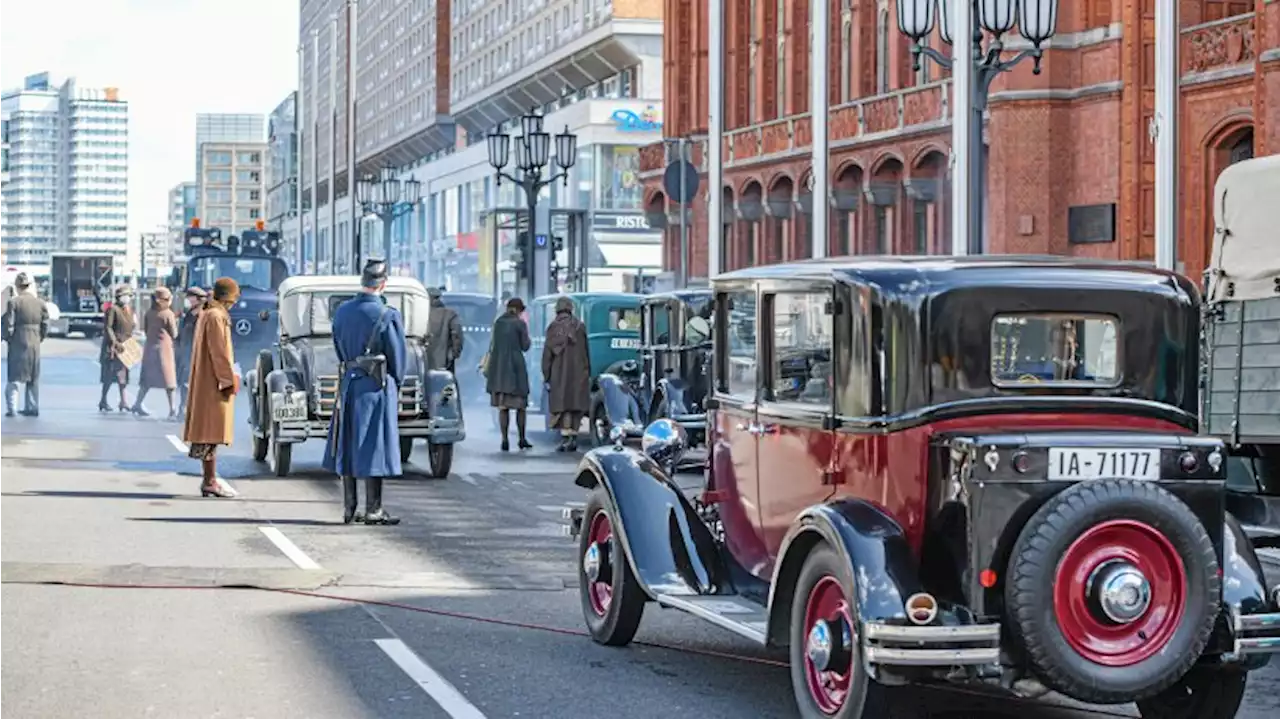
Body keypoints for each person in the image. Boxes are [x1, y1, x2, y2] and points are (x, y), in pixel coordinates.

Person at [323, 259, 406, 525]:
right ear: (383, 283)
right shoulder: (387, 314)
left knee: (347, 444)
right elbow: (398, 358)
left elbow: (337, 347)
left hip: (349, 383)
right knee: (375, 447)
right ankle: (374, 509)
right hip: (376, 385)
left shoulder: (343, 311)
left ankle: (349, 508)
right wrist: (397, 382)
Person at [182, 278, 242, 499]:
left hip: (206, 380)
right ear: (227, 298)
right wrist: (228, 380)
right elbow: (220, 353)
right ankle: (210, 481)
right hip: (214, 383)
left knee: (208, 432)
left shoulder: (208, 313)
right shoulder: (217, 317)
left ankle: (210, 480)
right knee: (211, 432)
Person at [542, 296, 590, 452]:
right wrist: (587, 371)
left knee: (563, 406)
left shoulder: (552, 328)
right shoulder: (580, 326)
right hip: (579, 373)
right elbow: (586, 352)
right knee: (575, 404)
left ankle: (565, 438)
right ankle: (573, 437)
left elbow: (547, 356)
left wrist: (546, 374)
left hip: (559, 374)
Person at [485, 296, 532, 452]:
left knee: (503, 407)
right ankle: (521, 438)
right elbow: (525, 346)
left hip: (499, 369)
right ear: (518, 310)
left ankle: (504, 439)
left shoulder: (498, 323)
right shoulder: (520, 324)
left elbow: (492, 345)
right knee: (521, 407)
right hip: (516, 368)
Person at [2, 273, 49, 417]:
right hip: (34, 343)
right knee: (33, 377)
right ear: (29, 286)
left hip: (18, 342)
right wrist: (40, 337)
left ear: (17, 286)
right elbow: (46, 324)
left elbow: (9, 325)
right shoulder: (40, 303)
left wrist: (7, 338)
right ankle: (32, 407)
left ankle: (12, 408)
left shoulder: (13, 302)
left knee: (14, 377)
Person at [133, 286, 180, 418]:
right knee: (170, 383)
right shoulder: (168, 314)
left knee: (146, 381)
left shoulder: (149, 313)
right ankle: (172, 409)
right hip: (164, 350)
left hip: (149, 349)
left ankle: (137, 403)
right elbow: (174, 333)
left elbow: (146, 330)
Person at [98, 286, 137, 412]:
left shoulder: (130, 310)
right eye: (125, 295)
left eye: (129, 296)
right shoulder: (112, 309)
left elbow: (132, 326)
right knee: (109, 376)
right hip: (113, 347)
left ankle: (123, 401)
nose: (128, 298)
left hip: (126, 345)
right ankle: (103, 400)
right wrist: (114, 342)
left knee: (123, 376)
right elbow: (108, 327)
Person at [176, 286, 207, 417]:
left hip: (198, 353)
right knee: (184, 383)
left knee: (194, 384)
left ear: (198, 299)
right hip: (186, 353)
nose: (187, 299)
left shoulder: (204, 315)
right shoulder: (189, 313)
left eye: (190, 297)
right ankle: (183, 409)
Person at [424, 286, 462, 372]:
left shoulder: (419, 313)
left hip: (421, 364)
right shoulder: (450, 314)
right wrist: (452, 355)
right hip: (444, 364)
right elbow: (457, 337)